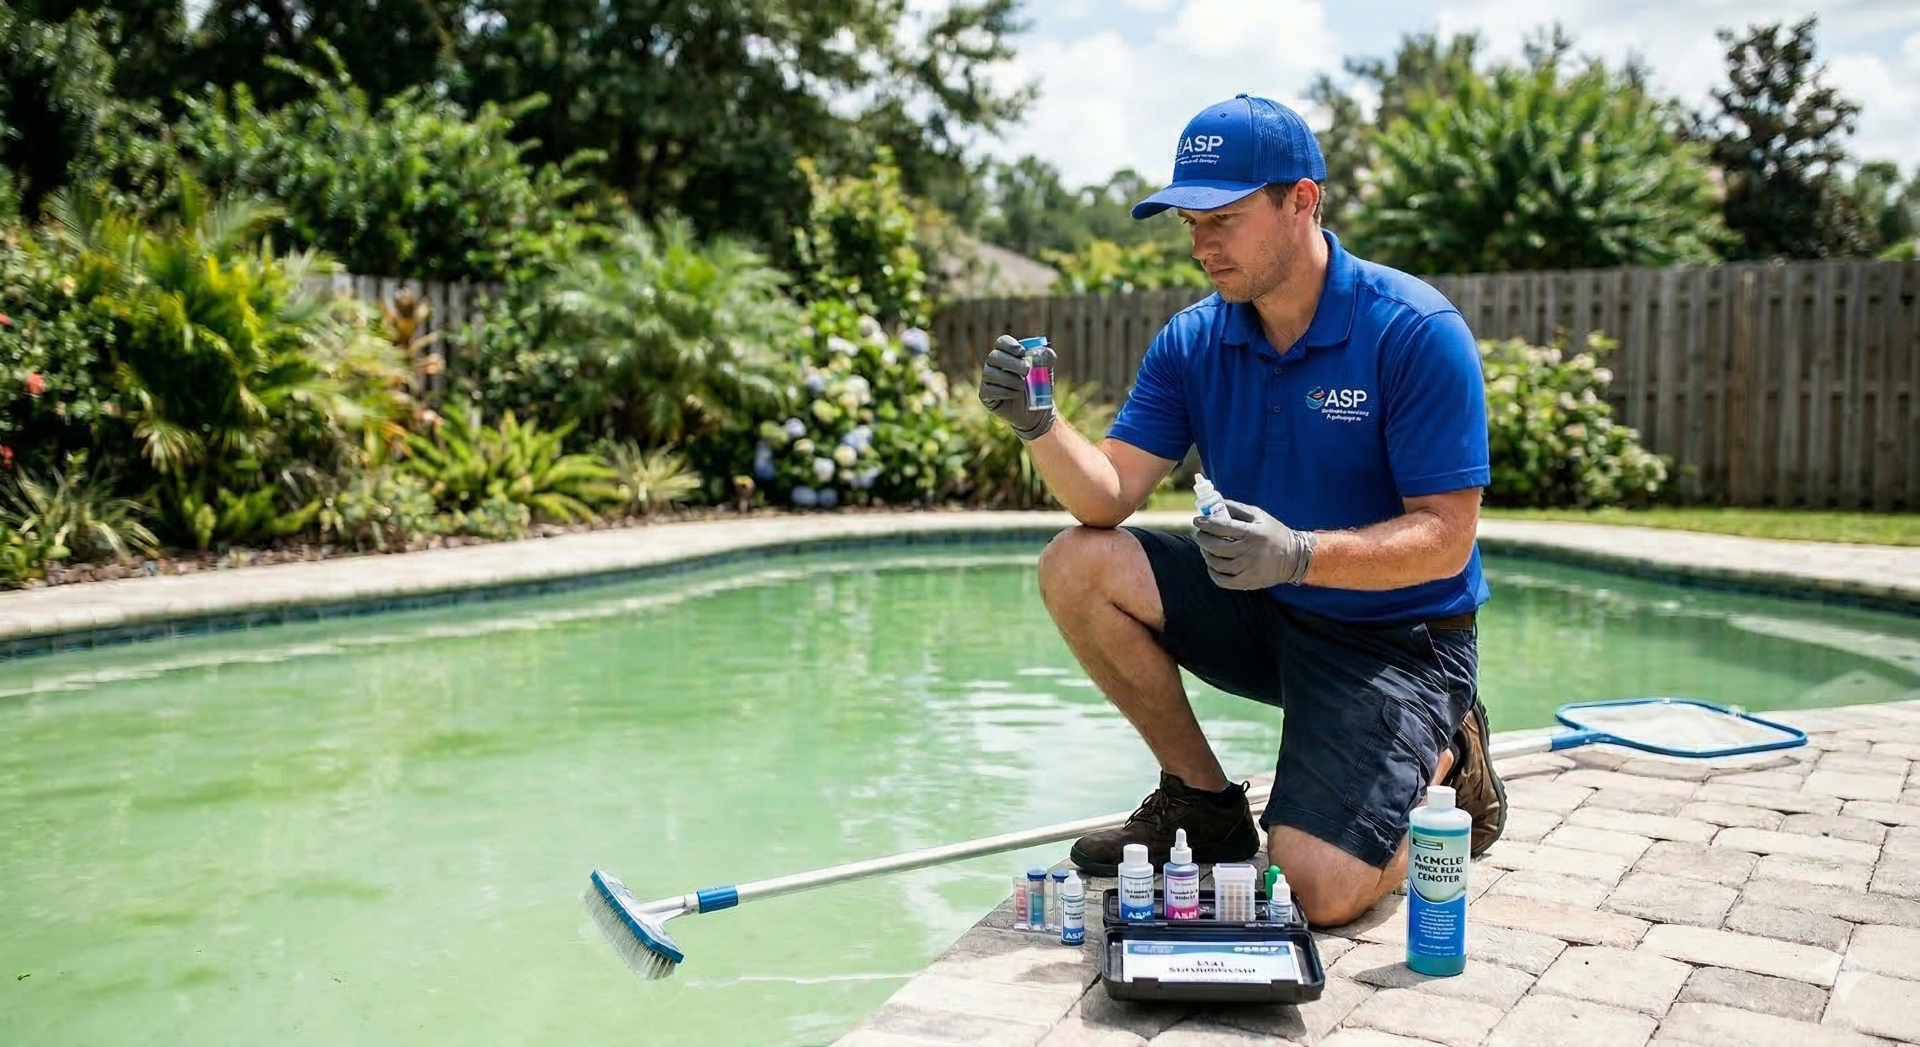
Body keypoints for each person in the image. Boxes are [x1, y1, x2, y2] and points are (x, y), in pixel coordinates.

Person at [975, 94, 1505, 928]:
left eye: (1223, 216)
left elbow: (1447, 539)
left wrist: (1299, 553)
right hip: (1264, 608)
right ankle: (1202, 801)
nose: (1202, 244)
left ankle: (1452, 762)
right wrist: (1039, 424)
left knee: (1317, 887)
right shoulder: (1194, 340)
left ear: (1302, 200)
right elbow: (1106, 495)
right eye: (1190, 221)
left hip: (1398, 642)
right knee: (1077, 562)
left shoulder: (1412, 330)